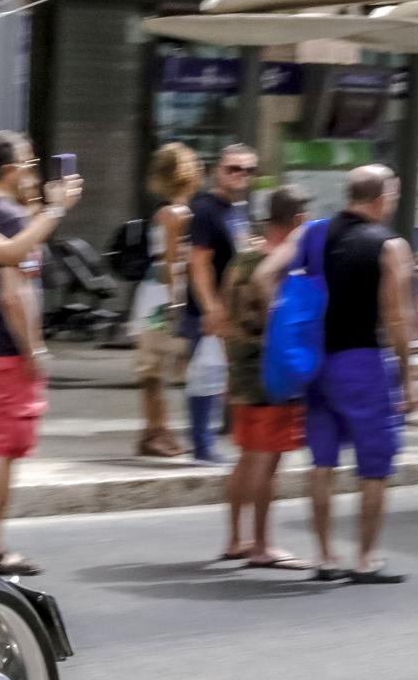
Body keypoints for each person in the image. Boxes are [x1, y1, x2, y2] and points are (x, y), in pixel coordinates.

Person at [0, 130, 82, 575]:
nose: (34, 172)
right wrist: (34, 350)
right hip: (3, 353)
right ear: (7, 171)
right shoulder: (13, 221)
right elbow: (12, 294)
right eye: (28, 164)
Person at [293, 165, 417, 583]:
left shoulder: (312, 234)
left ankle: (325, 557)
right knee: (374, 465)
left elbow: (266, 277)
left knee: (322, 462)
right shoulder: (390, 246)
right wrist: (408, 375)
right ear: (382, 198)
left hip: (316, 363)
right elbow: (397, 319)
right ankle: (365, 559)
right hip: (362, 363)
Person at [222, 185, 314, 569]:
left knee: (246, 457)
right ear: (296, 221)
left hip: (240, 369)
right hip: (269, 372)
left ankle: (235, 539)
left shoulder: (241, 258)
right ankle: (261, 545)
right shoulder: (276, 263)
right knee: (267, 461)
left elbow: (225, 312)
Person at [185, 143, 258, 464]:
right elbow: (198, 262)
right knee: (206, 378)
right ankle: (202, 445)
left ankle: (216, 439)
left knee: (220, 377)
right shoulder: (205, 210)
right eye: (233, 168)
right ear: (218, 171)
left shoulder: (238, 211)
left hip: (233, 310)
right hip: (209, 310)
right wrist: (210, 307)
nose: (240, 174)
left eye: (247, 170)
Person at [129, 143, 201, 458]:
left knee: (152, 370)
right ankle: (157, 432)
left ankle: (154, 431)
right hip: (164, 295)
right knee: (157, 369)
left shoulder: (163, 211)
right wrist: (177, 302)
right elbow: (173, 262)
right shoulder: (179, 213)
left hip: (151, 294)